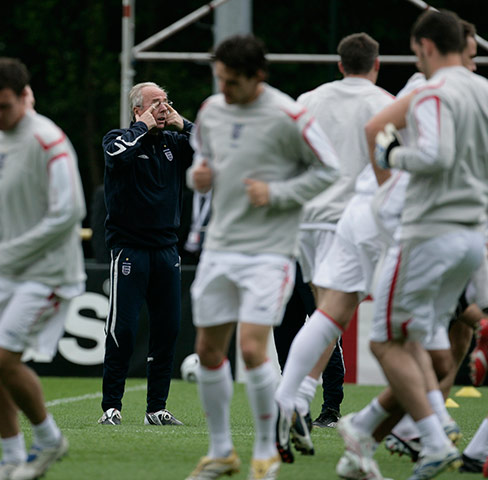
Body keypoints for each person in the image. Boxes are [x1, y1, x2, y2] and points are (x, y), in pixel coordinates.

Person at [337, 9, 488, 480]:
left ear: (424, 47)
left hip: (428, 231)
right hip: (470, 234)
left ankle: (435, 436)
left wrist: (389, 155)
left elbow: (433, 154)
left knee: (386, 341)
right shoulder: (482, 89)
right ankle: (364, 433)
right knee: (418, 346)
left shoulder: (431, 89)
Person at [185, 34, 339, 480]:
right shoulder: (212, 111)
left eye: (233, 82)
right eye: (220, 80)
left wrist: (278, 193)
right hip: (220, 246)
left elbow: (330, 169)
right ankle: (221, 452)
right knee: (208, 350)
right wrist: (200, 177)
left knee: (252, 347)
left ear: (259, 76)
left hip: (270, 251)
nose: (225, 90)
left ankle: (266, 451)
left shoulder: (288, 114)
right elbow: (206, 168)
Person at [272, 31, 394, 460]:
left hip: (307, 219)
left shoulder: (308, 98)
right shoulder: (384, 103)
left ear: (340, 64)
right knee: (330, 317)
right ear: (375, 64)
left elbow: (287, 154)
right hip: (352, 222)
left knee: (324, 316)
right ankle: (296, 403)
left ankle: (296, 403)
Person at [0, 57, 86, 480]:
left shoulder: (49, 140)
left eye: (4, 107)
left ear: (23, 97)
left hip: (49, 272)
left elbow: (70, 212)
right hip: (8, 270)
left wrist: (10, 251)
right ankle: (12, 457)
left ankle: (50, 440)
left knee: (0, 358)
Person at [99, 81, 194, 426]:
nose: (164, 107)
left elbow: (215, 152)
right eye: (156, 103)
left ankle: (157, 407)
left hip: (166, 249)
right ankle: (112, 406)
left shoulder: (174, 143)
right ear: (138, 109)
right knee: (122, 330)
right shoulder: (118, 137)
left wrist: (182, 123)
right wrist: (143, 127)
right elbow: (115, 155)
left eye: (167, 101)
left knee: (167, 329)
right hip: (129, 248)